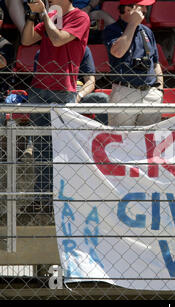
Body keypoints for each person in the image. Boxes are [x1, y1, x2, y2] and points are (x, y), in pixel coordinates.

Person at [20, 0, 90, 213]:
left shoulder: (80, 17)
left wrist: (45, 15)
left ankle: (62, 203)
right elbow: (27, 39)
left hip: (63, 89)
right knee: (42, 150)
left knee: (63, 151)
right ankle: (42, 201)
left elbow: (58, 40)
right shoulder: (52, 14)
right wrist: (33, 15)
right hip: (40, 88)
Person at [104, 0, 164, 126]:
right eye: (141, 7)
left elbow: (155, 63)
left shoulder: (147, 31)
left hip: (150, 93)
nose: (145, 11)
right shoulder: (112, 30)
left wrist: (159, 90)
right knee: (121, 139)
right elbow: (118, 52)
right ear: (127, 9)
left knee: (148, 141)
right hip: (125, 91)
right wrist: (132, 24)